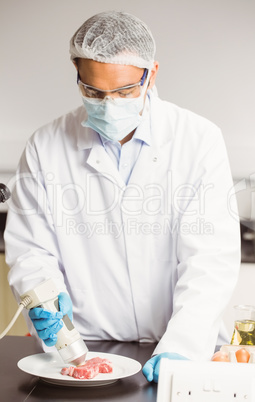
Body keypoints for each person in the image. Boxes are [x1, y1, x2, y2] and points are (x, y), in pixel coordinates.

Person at [4, 11, 240, 383]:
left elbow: (210, 260)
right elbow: (31, 249)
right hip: (86, 349)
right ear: (77, 74)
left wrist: (183, 344)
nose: (110, 105)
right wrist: (43, 299)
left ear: (152, 74)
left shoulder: (198, 140)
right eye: (94, 92)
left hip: (179, 341)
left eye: (125, 91)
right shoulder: (45, 146)